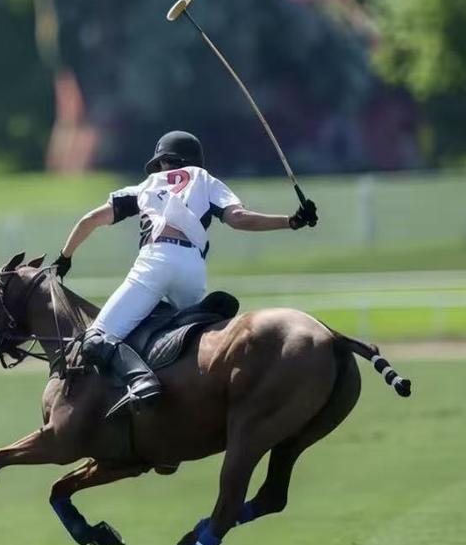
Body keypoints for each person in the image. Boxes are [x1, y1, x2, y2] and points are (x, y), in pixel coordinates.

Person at [55, 130, 318, 418]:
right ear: (194, 160)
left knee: (95, 338)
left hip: (154, 263)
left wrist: (65, 257)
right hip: (192, 267)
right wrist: (291, 221)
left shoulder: (146, 185)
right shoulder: (206, 181)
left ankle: (141, 380)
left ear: (163, 161)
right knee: (196, 338)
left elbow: (90, 219)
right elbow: (239, 219)